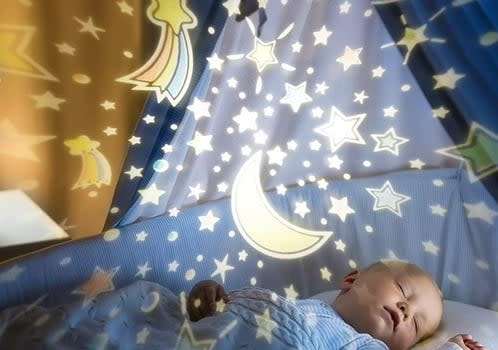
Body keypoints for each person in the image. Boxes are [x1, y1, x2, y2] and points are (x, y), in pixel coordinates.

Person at [187, 260, 487, 350]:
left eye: (417, 325)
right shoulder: (301, 306)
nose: (407, 310)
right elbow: (239, 314)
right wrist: (212, 295)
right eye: (402, 289)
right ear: (351, 279)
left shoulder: (369, 346)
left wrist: (452, 347)